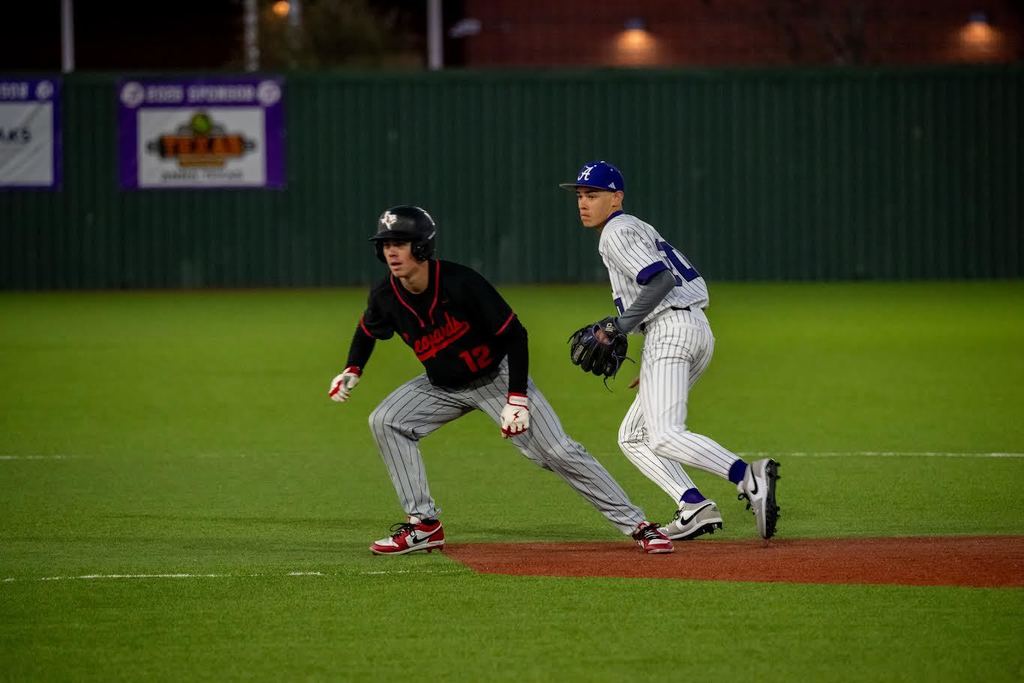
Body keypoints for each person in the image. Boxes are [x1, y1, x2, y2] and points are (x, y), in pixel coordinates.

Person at [328, 205, 674, 555]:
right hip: (441, 386)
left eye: (400, 243)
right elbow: (368, 329)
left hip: (497, 376)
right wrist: (353, 368)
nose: (391, 251)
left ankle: (639, 525)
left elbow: (515, 335)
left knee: (558, 452)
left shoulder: (461, 283)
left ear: (421, 246)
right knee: (386, 420)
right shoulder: (386, 295)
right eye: (386, 244)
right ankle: (424, 525)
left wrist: (517, 398)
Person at [558, 161, 781, 540]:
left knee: (663, 435)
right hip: (690, 329)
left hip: (672, 329)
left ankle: (748, 476)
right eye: (580, 195)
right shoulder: (638, 227)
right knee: (633, 435)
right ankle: (693, 505)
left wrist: (619, 326)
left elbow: (660, 280)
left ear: (616, 198)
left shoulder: (616, 231)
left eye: (592, 195)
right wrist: (651, 359)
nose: (583, 203)